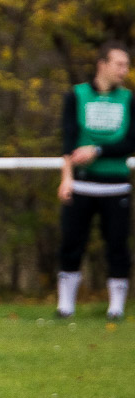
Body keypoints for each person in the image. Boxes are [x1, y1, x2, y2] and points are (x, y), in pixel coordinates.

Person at [56, 40, 134, 321]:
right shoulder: (77, 95)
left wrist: (98, 151)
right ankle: (65, 306)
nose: (124, 70)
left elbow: (131, 141)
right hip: (82, 184)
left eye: (127, 65)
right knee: (71, 244)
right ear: (102, 64)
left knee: (117, 246)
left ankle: (116, 308)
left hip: (116, 186)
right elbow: (68, 140)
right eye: (119, 64)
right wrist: (66, 178)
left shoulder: (129, 99)